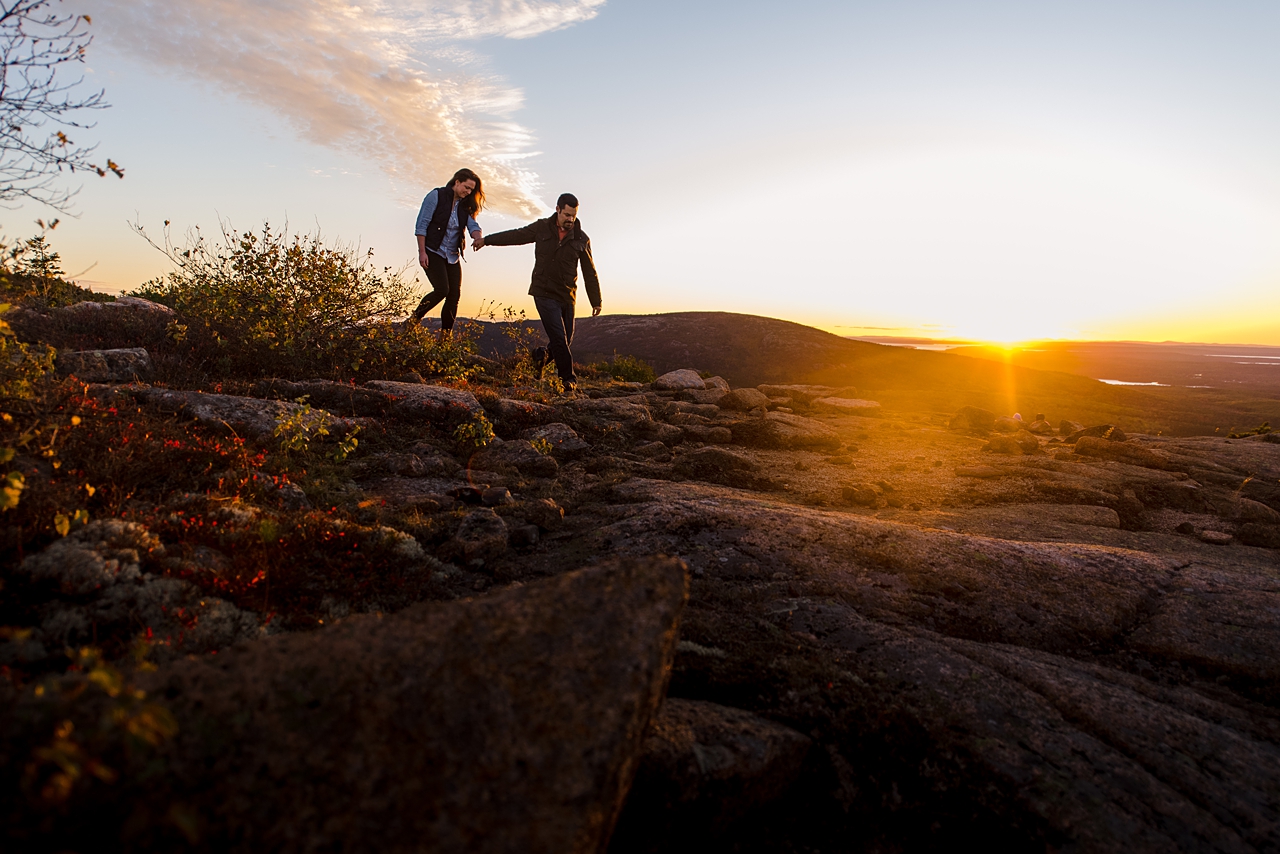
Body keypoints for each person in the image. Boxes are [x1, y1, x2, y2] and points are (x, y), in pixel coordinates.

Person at [477, 193, 601, 392]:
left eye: (574, 215)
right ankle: (568, 380)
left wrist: (596, 300)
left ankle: (540, 356)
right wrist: (487, 240)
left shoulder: (581, 239)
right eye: (567, 214)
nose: (570, 219)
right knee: (559, 338)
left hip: (567, 295)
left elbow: (589, 271)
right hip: (543, 292)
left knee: (566, 338)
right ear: (558, 210)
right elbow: (516, 235)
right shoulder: (542, 227)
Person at [410, 168, 486, 338]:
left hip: (452, 255)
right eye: (466, 187)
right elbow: (421, 225)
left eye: (471, 190)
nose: (468, 192)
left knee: (454, 295)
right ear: (456, 182)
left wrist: (478, 237)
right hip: (433, 250)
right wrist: (422, 252)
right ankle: (413, 321)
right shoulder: (436, 196)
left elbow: (473, 225)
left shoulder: (465, 205)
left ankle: (445, 338)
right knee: (442, 289)